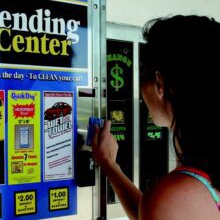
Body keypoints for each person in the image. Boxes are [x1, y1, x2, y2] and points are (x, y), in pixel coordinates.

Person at [92, 15, 220, 220]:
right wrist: (110, 165)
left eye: (142, 72)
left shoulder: (174, 196)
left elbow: (162, 209)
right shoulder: (190, 189)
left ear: (159, 83)